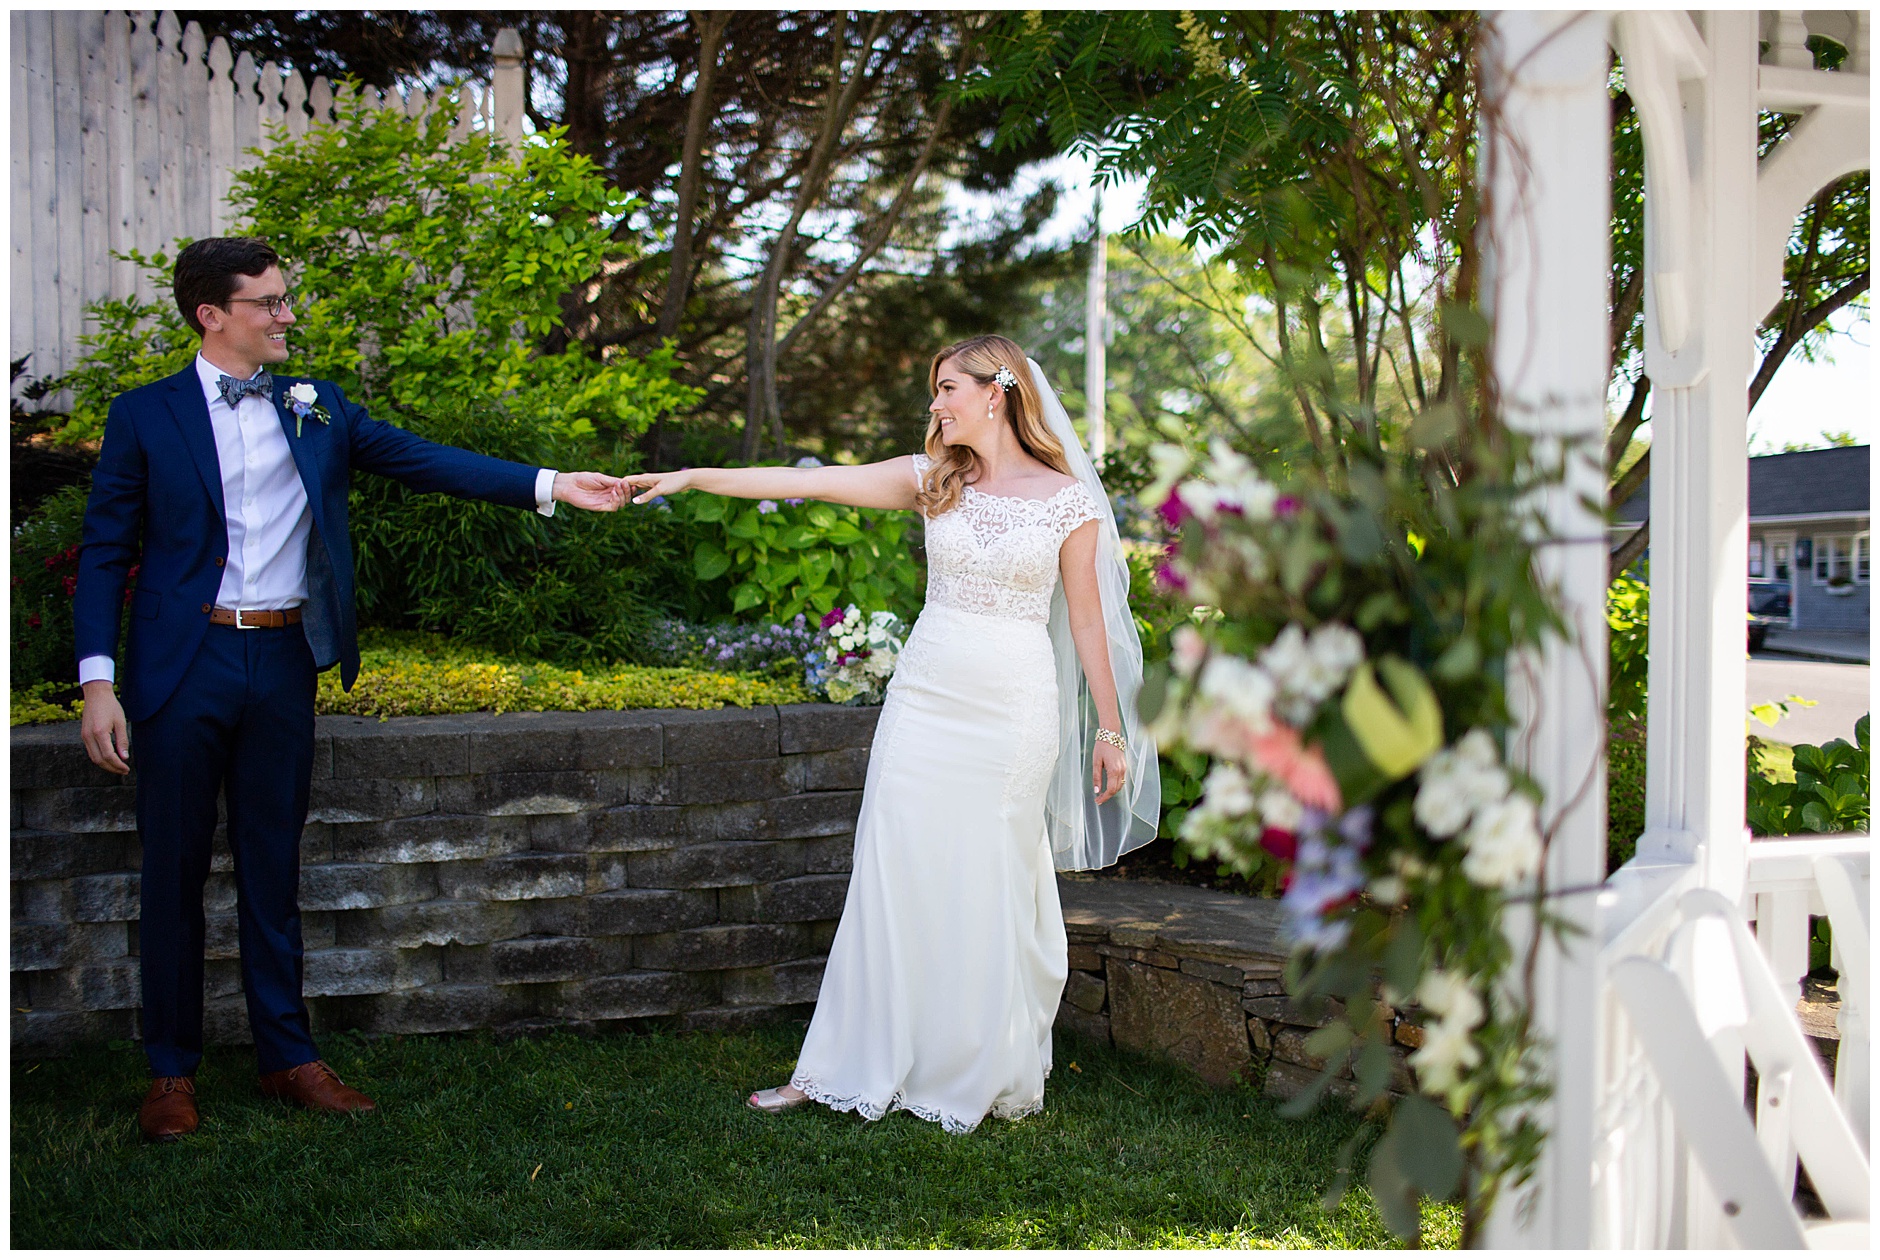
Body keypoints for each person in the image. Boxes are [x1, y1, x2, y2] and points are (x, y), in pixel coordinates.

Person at [73, 236, 629, 1141]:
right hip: (181, 670)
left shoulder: (318, 406)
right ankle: (170, 1073)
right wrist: (99, 683)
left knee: (271, 867)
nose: (289, 315)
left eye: (287, 299)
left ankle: (288, 1057)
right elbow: (104, 554)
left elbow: (424, 458)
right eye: (272, 302)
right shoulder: (145, 416)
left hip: (285, 662)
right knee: (171, 874)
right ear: (214, 315)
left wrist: (554, 484)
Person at [622, 334, 1160, 1133]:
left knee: (985, 879)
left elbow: (1088, 622)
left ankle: (971, 1065)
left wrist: (1111, 732)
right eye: (935, 390)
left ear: (997, 392)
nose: (936, 404)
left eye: (948, 388)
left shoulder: (1068, 500)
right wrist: (694, 475)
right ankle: (836, 1067)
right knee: (889, 873)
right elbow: (810, 485)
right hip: (925, 699)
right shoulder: (931, 480)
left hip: (1012, 711)